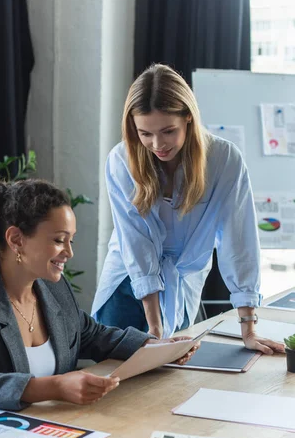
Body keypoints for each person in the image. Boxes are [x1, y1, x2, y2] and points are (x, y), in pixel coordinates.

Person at [0, 179, 195, 421]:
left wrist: (156, 348)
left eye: (71, 240)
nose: (69, 252)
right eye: (59, 240)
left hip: (43, 427)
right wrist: (54, 386)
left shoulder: (52, 289)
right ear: (16, 239)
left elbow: (91, 335)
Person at [92, 64, 284, 356]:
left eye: (168, 131)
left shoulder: (224, 160)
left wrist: (249, 329)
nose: (157, 144)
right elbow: (137, 244)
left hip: (182, 285)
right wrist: (154, 330)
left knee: (172, 383)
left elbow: (238, 241)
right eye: (145, 133)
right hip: (129, 285)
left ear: (189, 119)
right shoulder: (121, 161)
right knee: (117, 385)